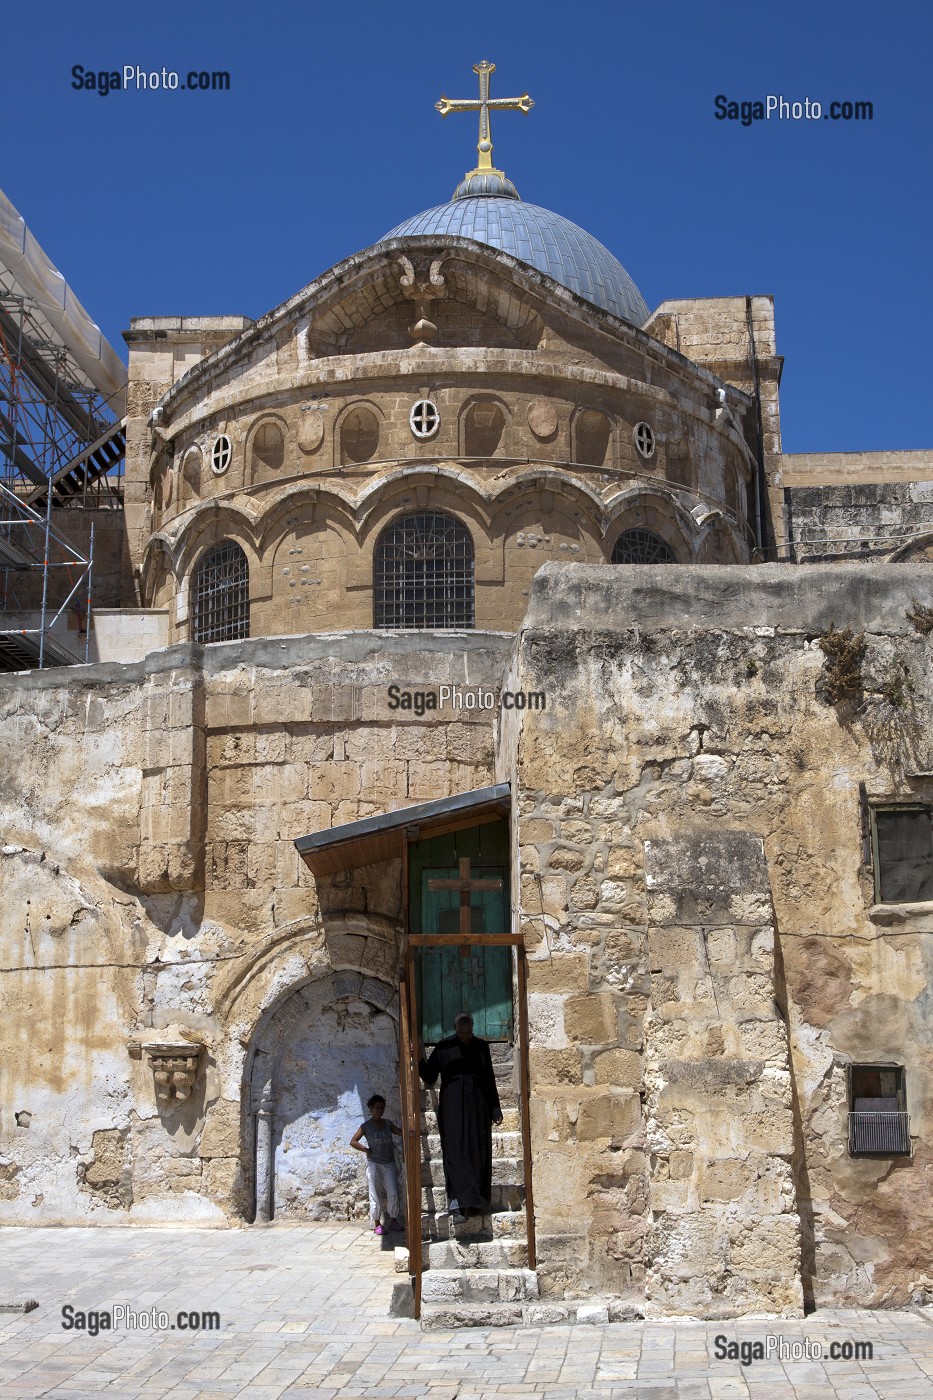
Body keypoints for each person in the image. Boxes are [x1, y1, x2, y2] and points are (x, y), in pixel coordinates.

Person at [419, 1012, 503, 1221]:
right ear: (455, 1029)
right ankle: (456, 1204)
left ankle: (477, 1203)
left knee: (477, 1152)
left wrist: (495, 1108)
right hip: (452, 1108)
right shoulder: (444, 1047)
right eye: (461, 1031)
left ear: (472, 1027)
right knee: (455, 1154)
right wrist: (417, 1058)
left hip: (478, 1106)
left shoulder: (481, 1047)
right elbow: (430, 1076)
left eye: (468, 1031)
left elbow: (489, 1078)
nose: (465, 1035)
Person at [350, 1093, 403, 1236]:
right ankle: (377, 1223)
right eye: (377, 1108)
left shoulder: (387, 1124)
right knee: (375, 1195)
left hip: (389, 1163)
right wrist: (366, 1150)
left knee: (393, 1192)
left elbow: (399, 1132)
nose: (380, 1111)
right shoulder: (366, 1126)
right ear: (371, 1108)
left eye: (382, 1108)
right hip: (374, 1164)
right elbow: (353, 1141)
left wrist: (410, 1132)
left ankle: (393, 1220)